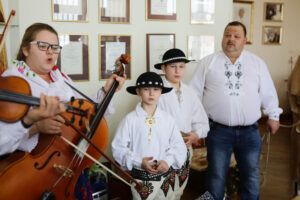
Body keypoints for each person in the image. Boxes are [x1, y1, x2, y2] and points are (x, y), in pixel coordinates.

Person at [0, 22, 126, 156]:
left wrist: (106, 91)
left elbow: (82, 111)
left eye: (54, 47)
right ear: (25, 49)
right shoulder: (10, 82)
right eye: (42, 46)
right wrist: (36, 127)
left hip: (63, 159)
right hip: (26, 166)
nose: (50, 52)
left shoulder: (60, 77)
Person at [190, 21, 282, 200]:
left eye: (236, 36)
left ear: (245, 40)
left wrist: (274, 115)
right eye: (227, 35)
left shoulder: (257, 63)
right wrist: (193, 124)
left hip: (250, 132)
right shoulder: (207, 62)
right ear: (222, 37)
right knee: (215, 176)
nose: (231, 39)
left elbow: (268, 92)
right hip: (217, 131)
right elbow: (193, 95)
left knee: (251, 176)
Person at [112, 72, 187, 200]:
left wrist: (167, 161)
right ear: (138, 91)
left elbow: (179, 146)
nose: (151, 94)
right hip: (141, 179)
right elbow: (118, 148)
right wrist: (139, 161)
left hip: (165, 177)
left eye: (156, 89)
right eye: (146, 89)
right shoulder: (129, 120)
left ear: (161, 92)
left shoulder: (168, 119)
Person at [154, 48, 209, 199]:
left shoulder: (190, 92)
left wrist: (195, 135)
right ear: (164, 68)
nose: (177, 70)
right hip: (162, 151)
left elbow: (203, 122)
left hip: (185, 149)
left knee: (178, 190)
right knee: (162, 193)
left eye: (181, 66)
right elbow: (148, 123)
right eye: (173, 66)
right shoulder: (156, 91)